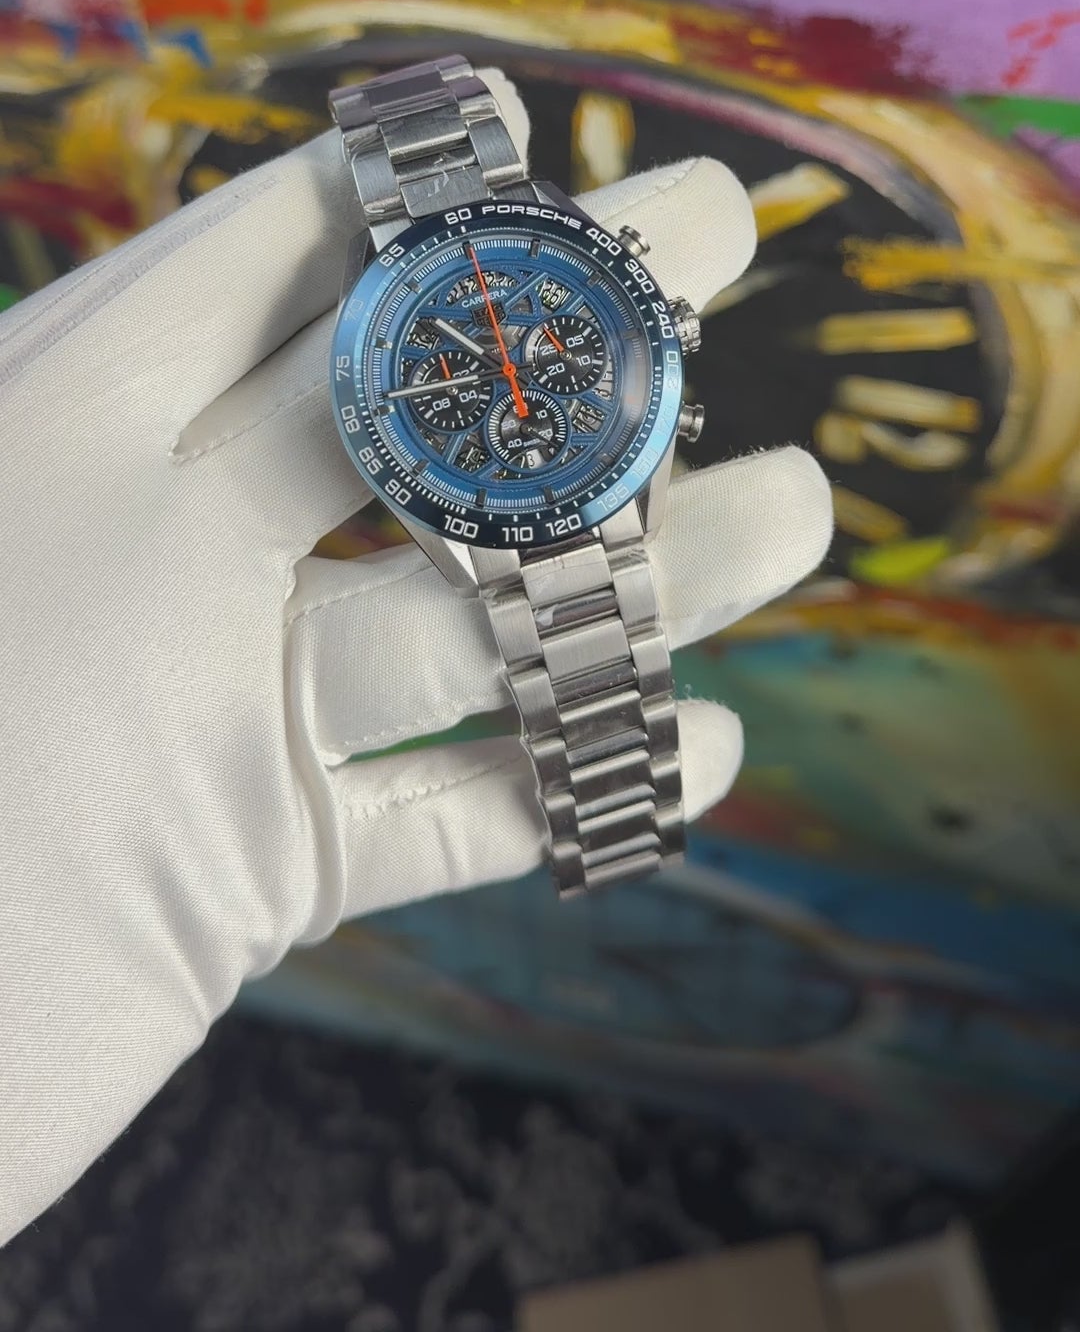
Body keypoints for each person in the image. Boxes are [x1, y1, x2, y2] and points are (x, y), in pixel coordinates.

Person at [0, 70, 831, 1246]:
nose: (508, 370)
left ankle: (610, 796)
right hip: (494, 480)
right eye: (480, 359)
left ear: (662, 338)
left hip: (527, 470)